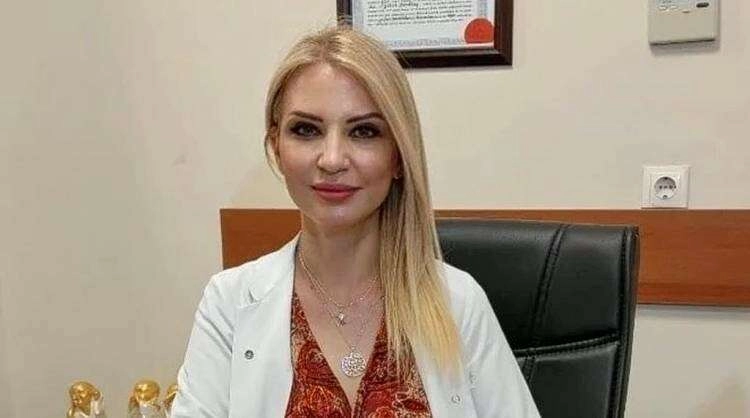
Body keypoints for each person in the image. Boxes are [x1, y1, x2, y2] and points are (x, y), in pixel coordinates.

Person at [172, 25, 540, 418]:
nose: (332, 159)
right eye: (306, 130)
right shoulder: (229, 304)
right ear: (276, 147)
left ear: (398, 156)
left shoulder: (459, 303)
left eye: (364, 131)